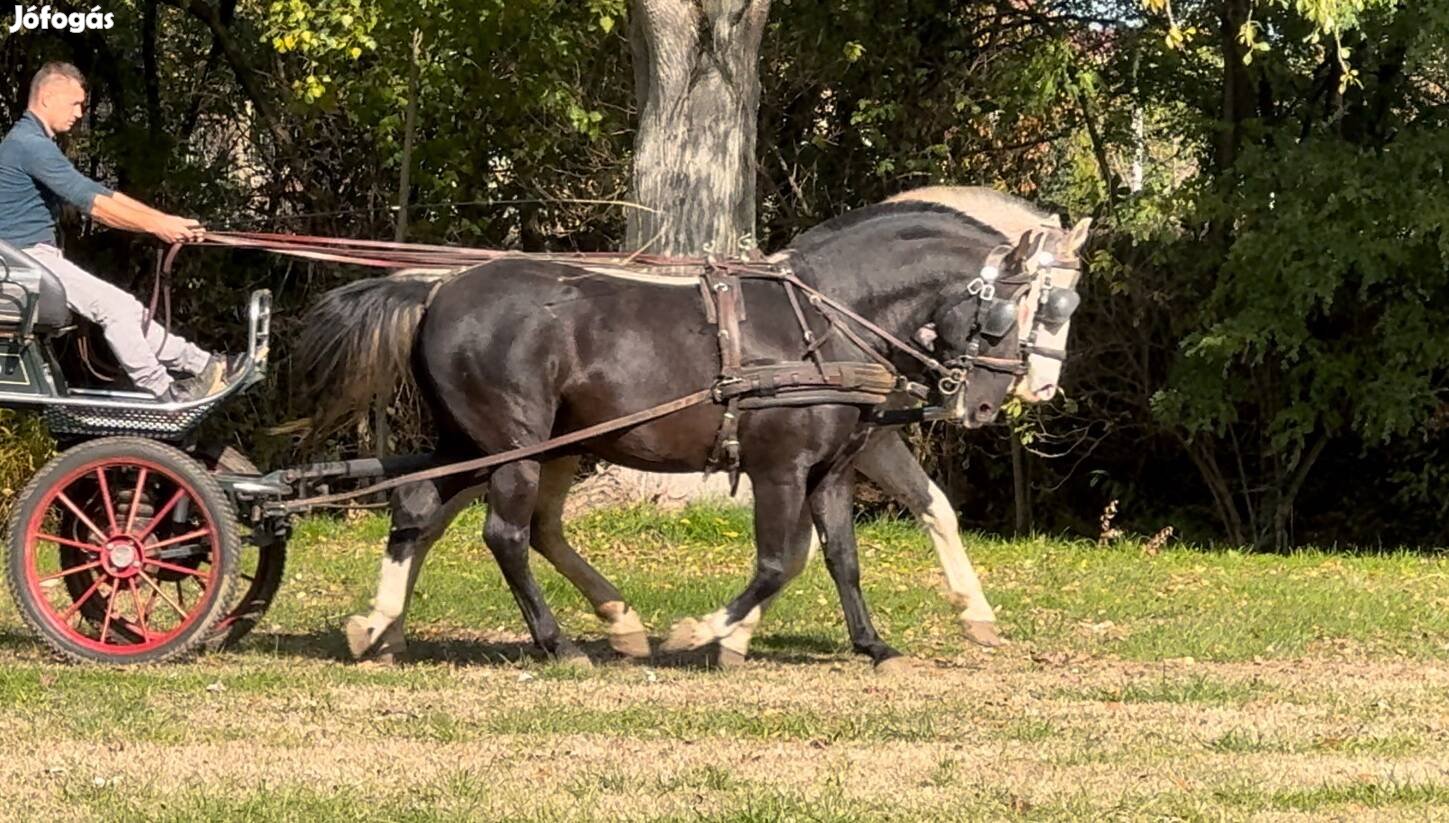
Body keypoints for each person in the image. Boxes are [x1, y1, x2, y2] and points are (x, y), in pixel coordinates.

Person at [0, 61, 239, 402]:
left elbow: (101, 193)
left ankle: (205, 366)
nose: (80, 113)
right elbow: (94, 205)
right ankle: (163, 391)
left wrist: (165, 220)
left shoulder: (32, 141)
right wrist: (160, 226)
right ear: (48, 96)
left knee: (125, 308)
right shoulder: (29, 144)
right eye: (75, 104)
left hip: (30, 260)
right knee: (114, 309)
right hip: (24, 262)